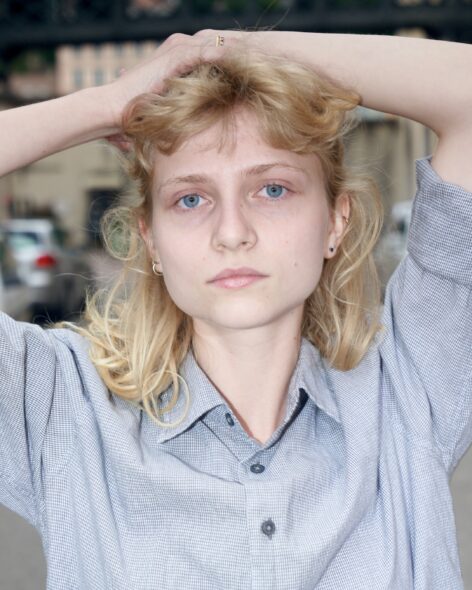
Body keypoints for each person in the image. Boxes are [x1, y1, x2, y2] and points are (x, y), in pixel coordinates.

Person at [0, 30, 471, 589]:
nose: (231, 233)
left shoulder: (408, 394)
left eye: (272, 189)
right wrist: (107, 104)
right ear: (151, 240)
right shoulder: (61, 406)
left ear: (336, 221)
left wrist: (228, 47)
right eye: (191, 199)